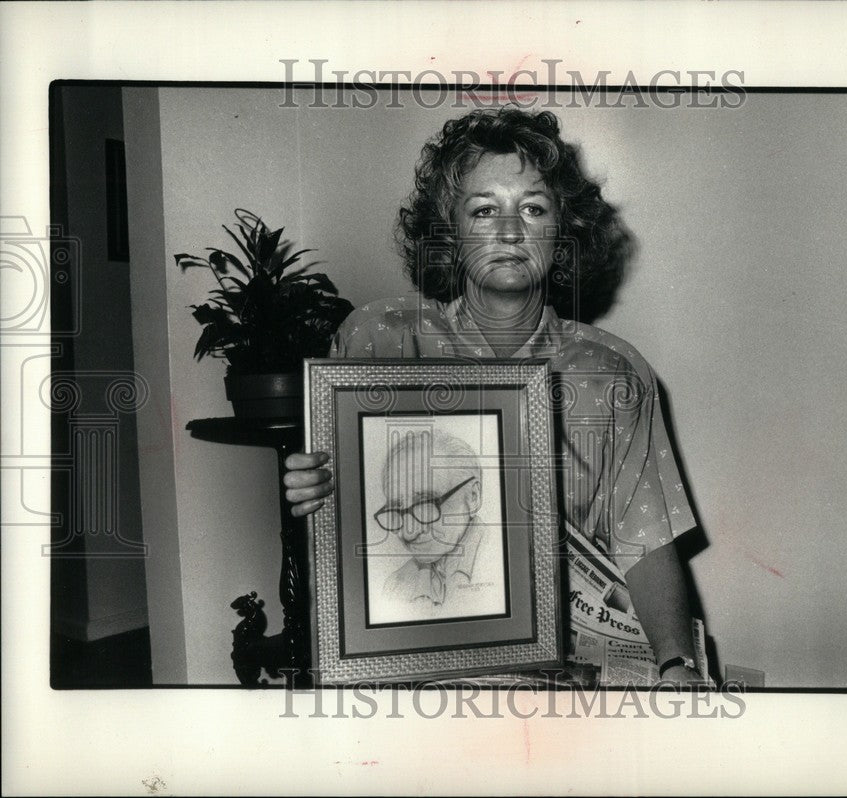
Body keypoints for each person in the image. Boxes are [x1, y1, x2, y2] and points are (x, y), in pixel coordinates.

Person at [285, 107, 701, 684]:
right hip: (410, 668)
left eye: (533, 208)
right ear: (450, 233)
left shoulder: (612, 373)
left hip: (558, 675)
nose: (509, 232)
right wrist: (315, 488)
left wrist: (677, 664)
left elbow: (645, 542)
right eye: (484, 210)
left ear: (562, 234)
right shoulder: (379, 338)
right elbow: (347, 530)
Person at [372, 427, 503, 621]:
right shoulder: (395, 587)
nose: (408, 533)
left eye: (425, 503)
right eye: (397, 508)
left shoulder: (506, 567)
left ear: (473, 497)